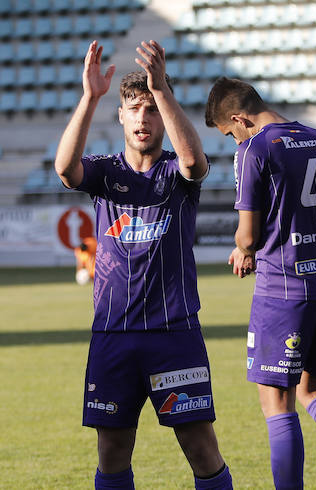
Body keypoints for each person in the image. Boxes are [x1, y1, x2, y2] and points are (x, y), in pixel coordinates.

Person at [54, 40, 232, 489]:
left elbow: (195, 162)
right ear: (121, 116)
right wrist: (90, 97)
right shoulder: (103, 172)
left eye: (151, 108)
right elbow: (64, 169)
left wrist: (162, 89)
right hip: (114, 334)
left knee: (200, 448)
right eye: (135, 108)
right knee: (112, 451)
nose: (143, 117)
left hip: (174, 333)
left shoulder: (176, 173)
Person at [204, 76, 316, 490]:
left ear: (238, 118)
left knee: (276, 402)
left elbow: (247, 236)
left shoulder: (254, 148)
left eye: (230, 134)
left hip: (282, 289)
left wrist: (242, 248)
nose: (234, 142)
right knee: (312, 388)